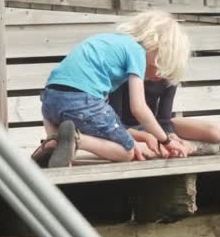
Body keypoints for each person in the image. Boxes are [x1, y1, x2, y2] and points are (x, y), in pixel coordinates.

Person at [31, 10, 191, 168]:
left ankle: (52, 143)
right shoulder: (137, 52)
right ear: (155, 47)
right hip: (81, 100)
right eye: (158, 66)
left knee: (104, 131)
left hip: (50, 100)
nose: (158, 75)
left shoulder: (107, 40)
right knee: (126, 152)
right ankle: (77, 139)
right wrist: (166, 140)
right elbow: (139, 108)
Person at [109, 80, 220, 158]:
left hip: (154, 126)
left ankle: (186, 146)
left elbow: (164, 120)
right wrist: (147, 137)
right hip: (126, 130)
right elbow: (115, 124)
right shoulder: (128, 74)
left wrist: (171, 135)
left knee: (219, 132)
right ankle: (195, 147)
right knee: (151, 152)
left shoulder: (169, 74)